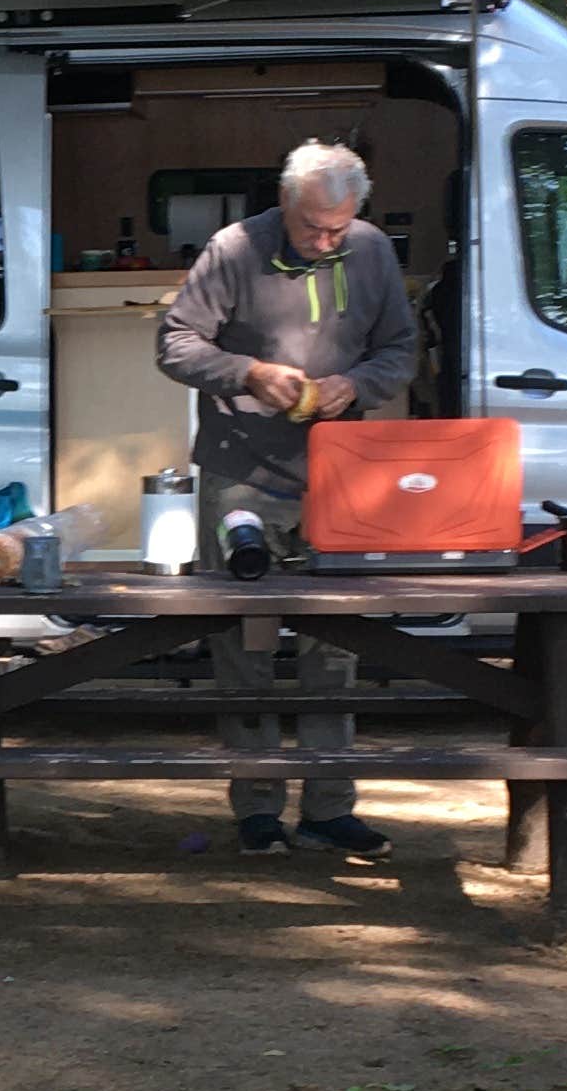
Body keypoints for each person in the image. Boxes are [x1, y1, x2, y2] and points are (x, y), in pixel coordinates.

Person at [154, 137, 423, 858]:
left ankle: (329, 808)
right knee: (243, 643)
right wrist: (246, 373)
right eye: (313, 228)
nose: (326, 241)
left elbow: (401, 348)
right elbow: (175, 344)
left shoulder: (370, 251)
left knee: (335, 646)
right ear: (284, 201)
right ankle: (258, 809)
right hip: (241, 469)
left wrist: (355, 386)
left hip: (338, 473)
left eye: (338, 227)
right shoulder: (234, 249)